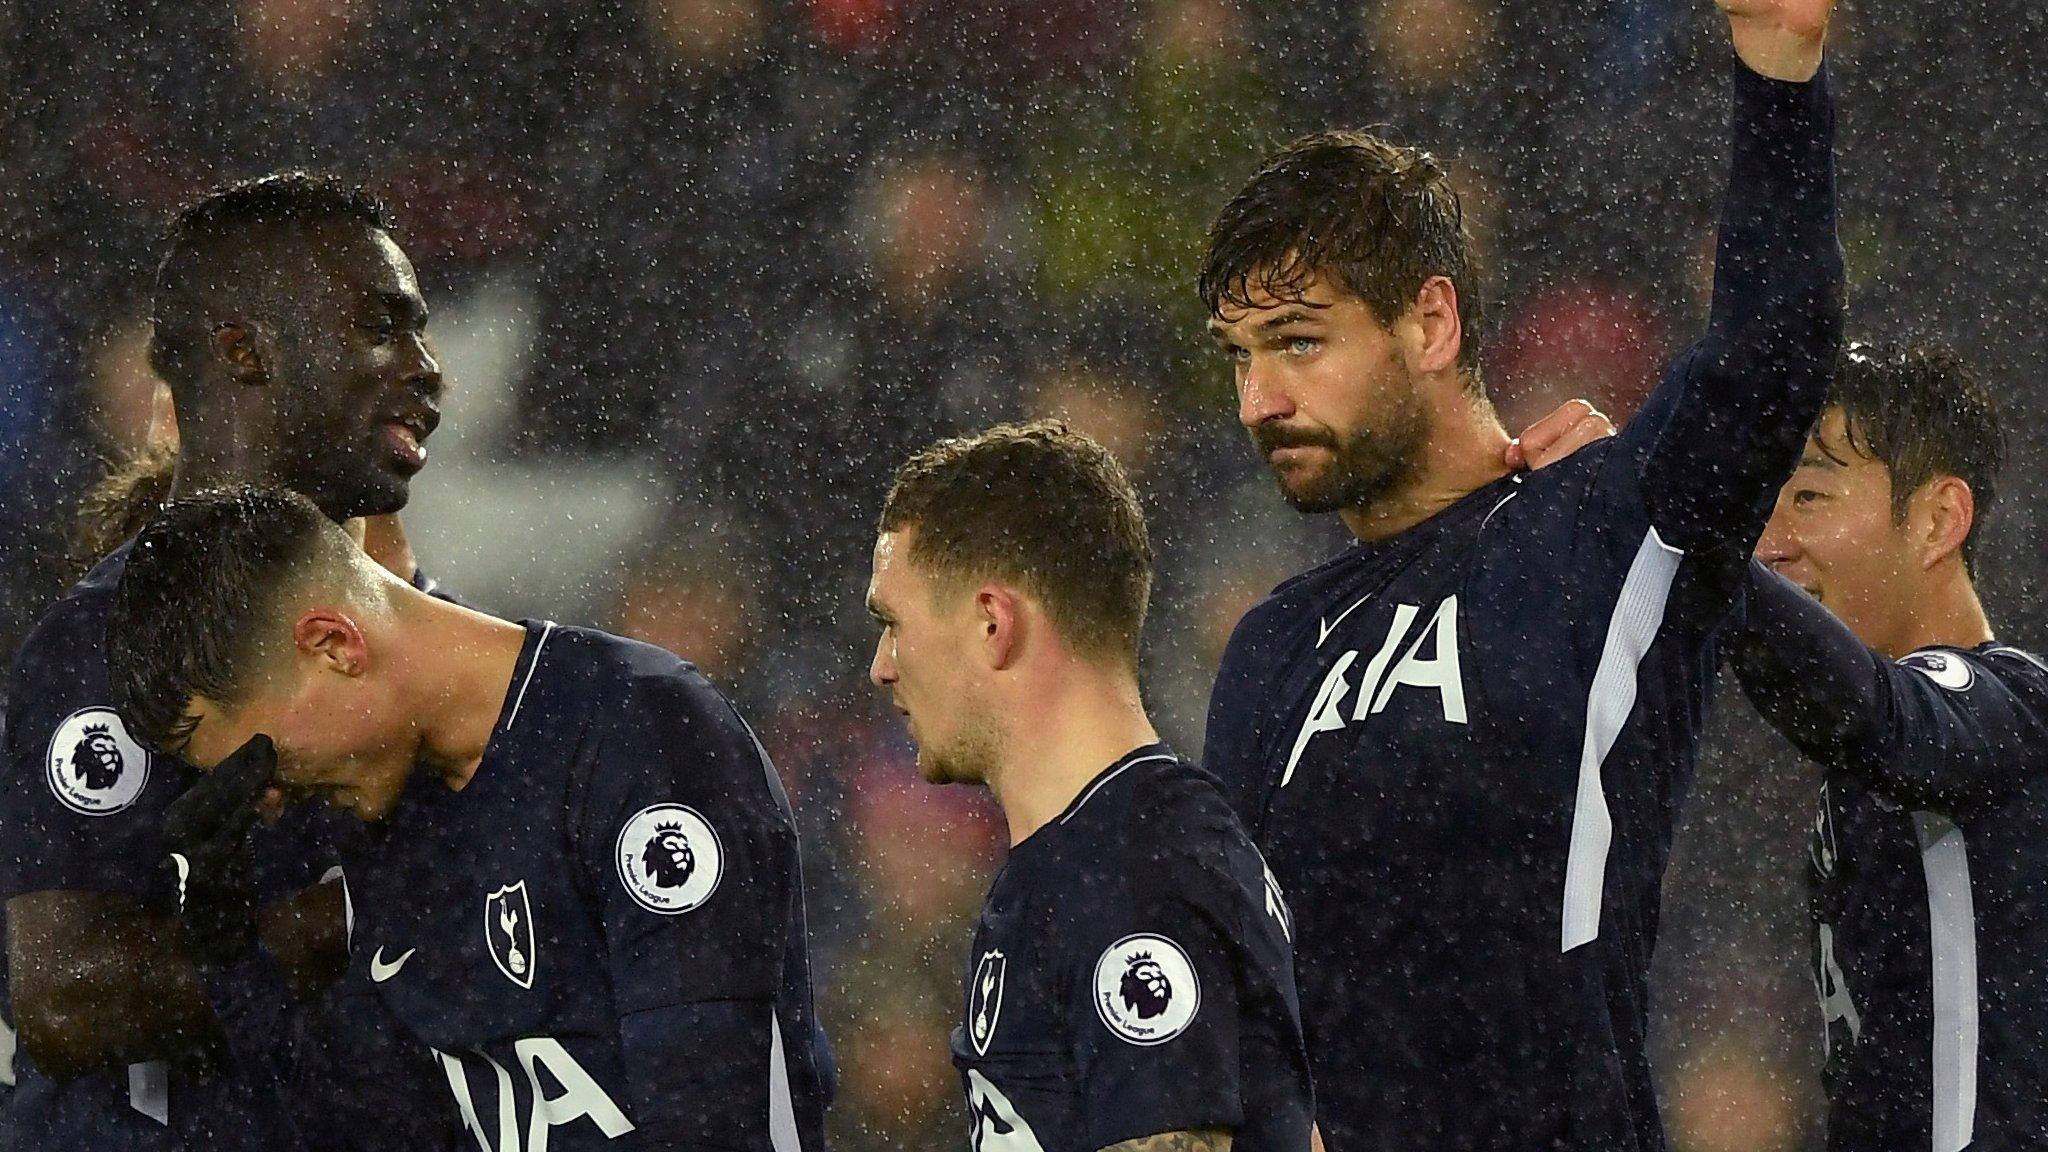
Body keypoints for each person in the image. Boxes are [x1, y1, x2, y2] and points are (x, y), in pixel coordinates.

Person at [1195, 1, 1841, 1146]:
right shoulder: (1267, 649)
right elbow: (1246, 1013)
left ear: (1430, 322)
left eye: (1298, 341)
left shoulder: (1593, 525)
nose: (1259, 401)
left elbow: (1769, 348)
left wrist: (1776, 73)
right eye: (1238, 359)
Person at [102, 486, 834, 1151]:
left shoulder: (640, 736)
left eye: (268, 760)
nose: (273, 795)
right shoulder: (387, 821)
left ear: (335, 645)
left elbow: (712, 1121)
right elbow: (353, 1131)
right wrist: (227, 947)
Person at [0, 173, 445, 1151]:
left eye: (418, 332)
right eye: (377, 331)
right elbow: (66, 995)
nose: (425, 369)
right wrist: (344, 926)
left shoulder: (444, 643)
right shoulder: (115, 636)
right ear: (248, 355)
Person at [865, 421, 1314, 1152]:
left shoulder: (1129, 866)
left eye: (894, 624)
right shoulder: (1091, 852)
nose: (883, 665)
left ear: (990, 624)